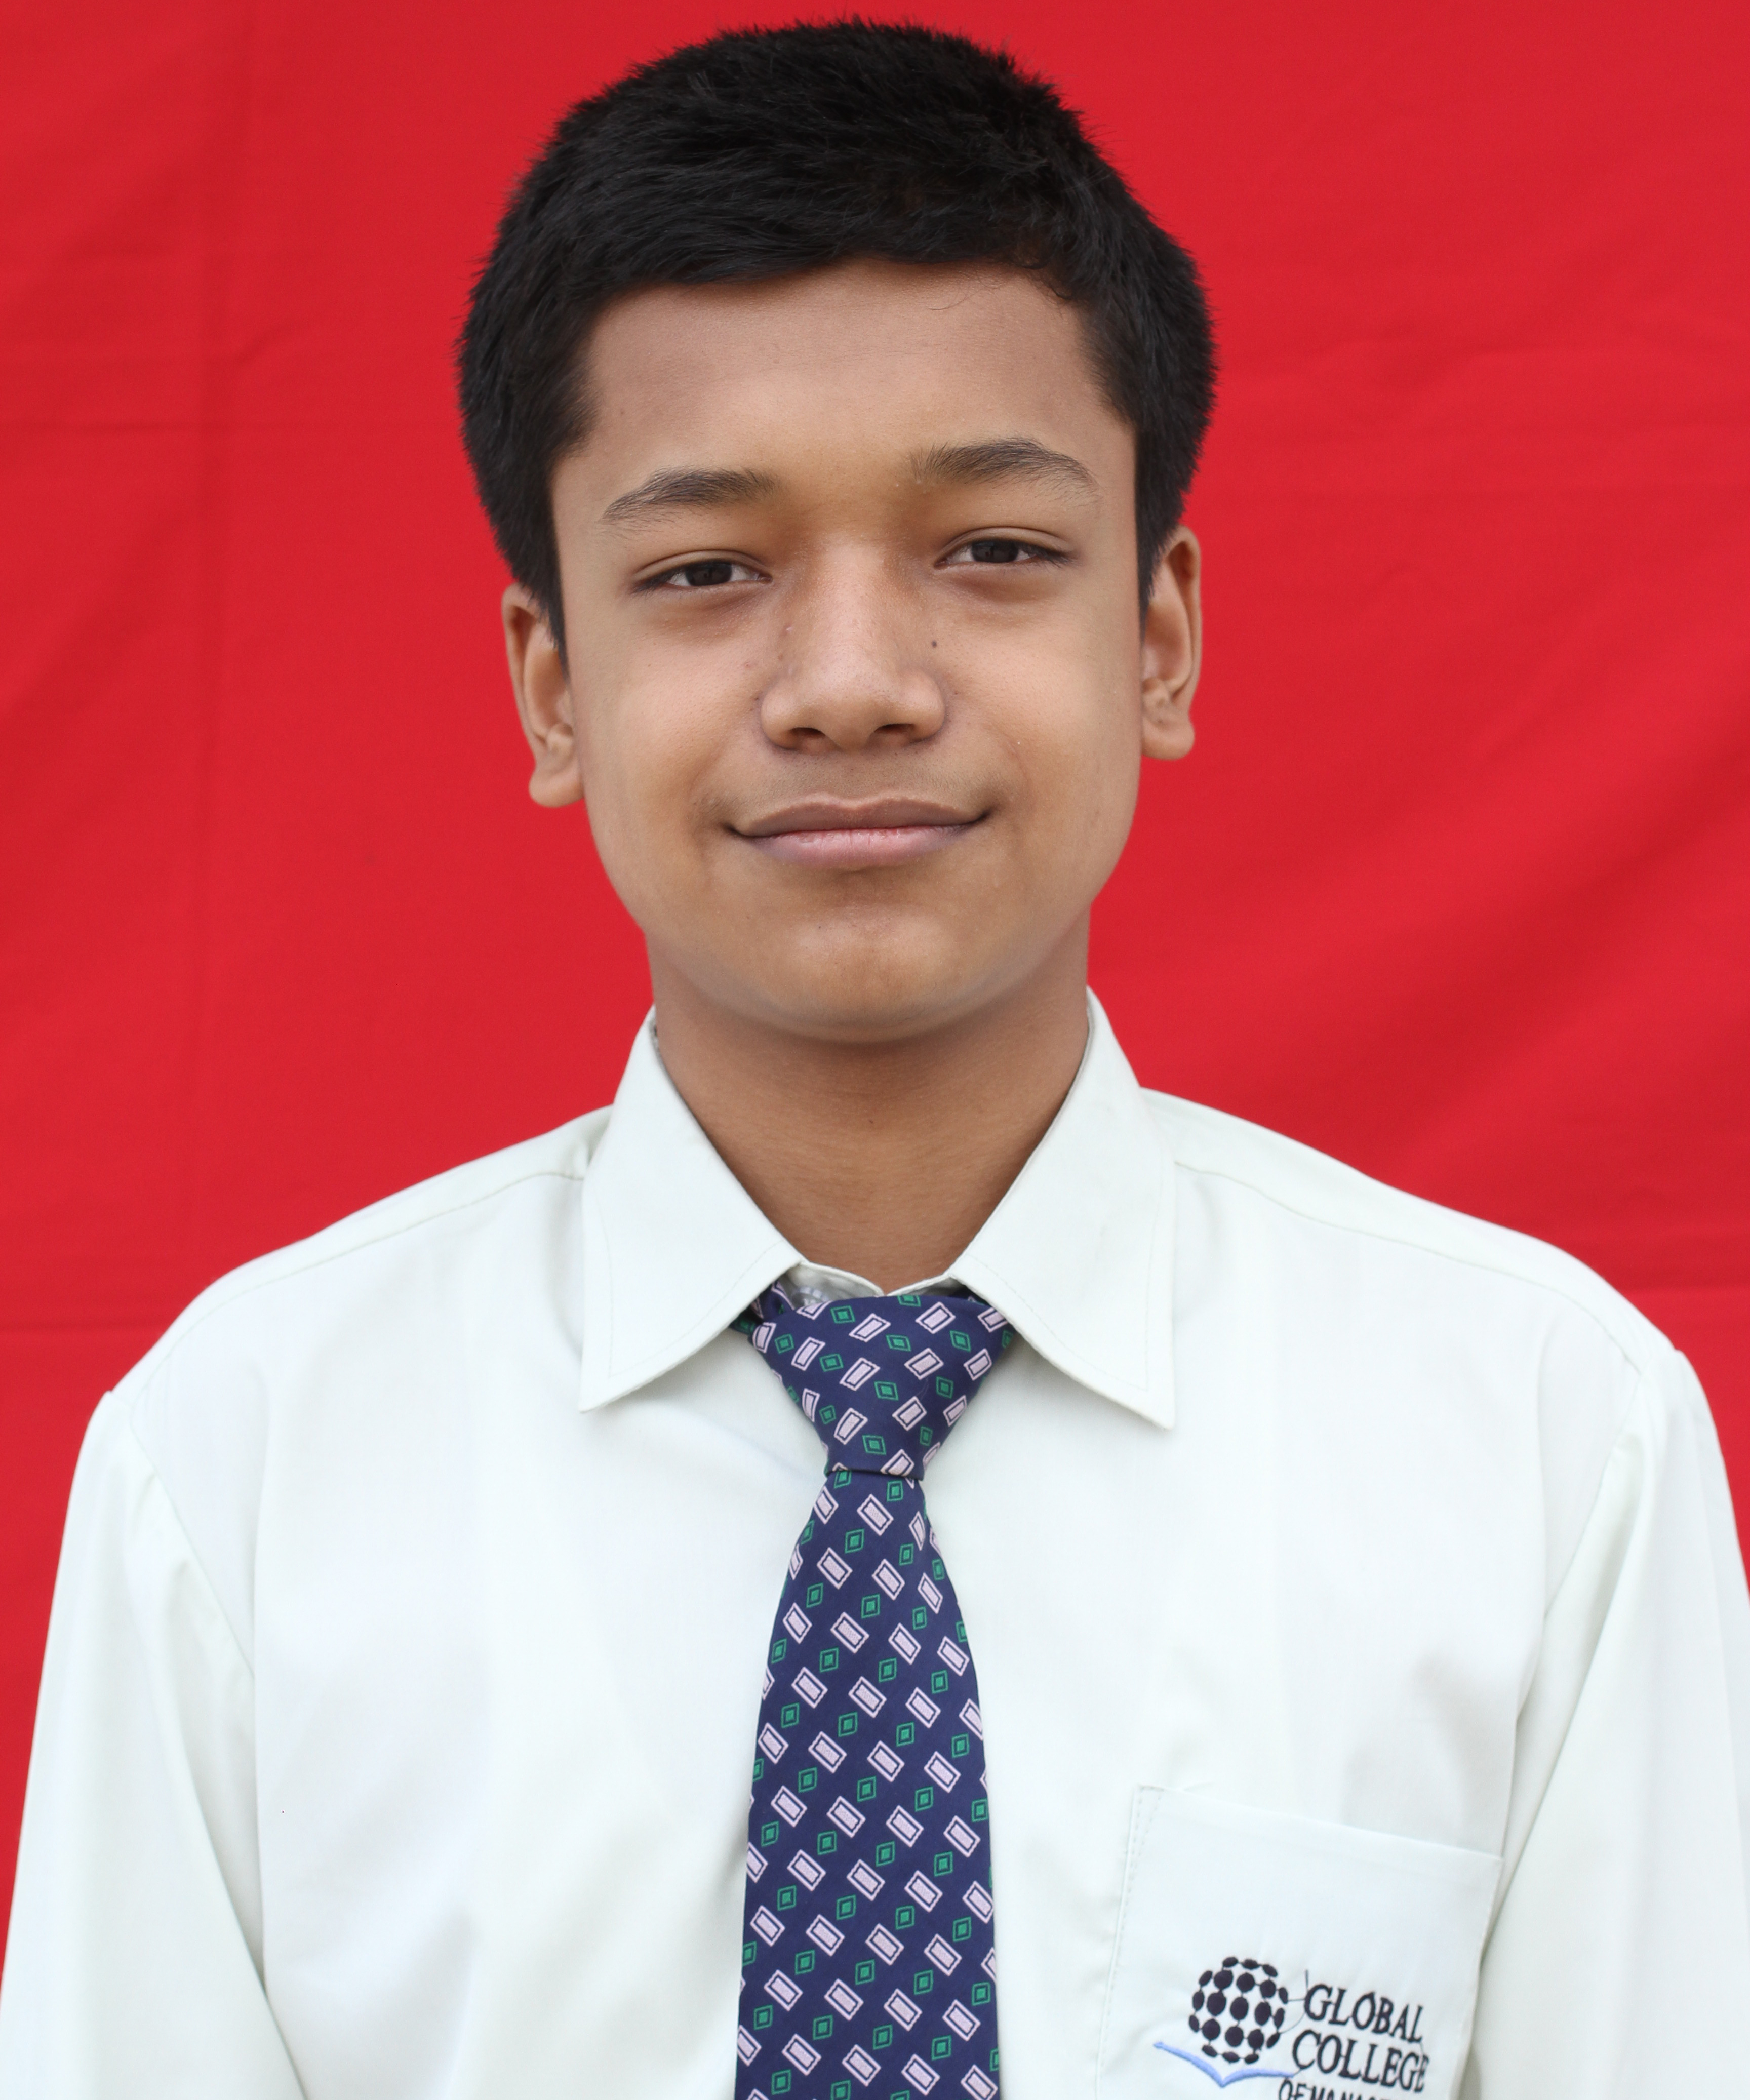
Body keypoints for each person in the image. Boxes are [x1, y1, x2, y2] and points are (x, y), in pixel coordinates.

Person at [2, 21, 1745, 2099]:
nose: (849, 683)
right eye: (705, 571)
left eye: (991, 548)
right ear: (552, 685)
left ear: (1159, 636)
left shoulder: (1544, 1439)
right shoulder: (245, 1462)